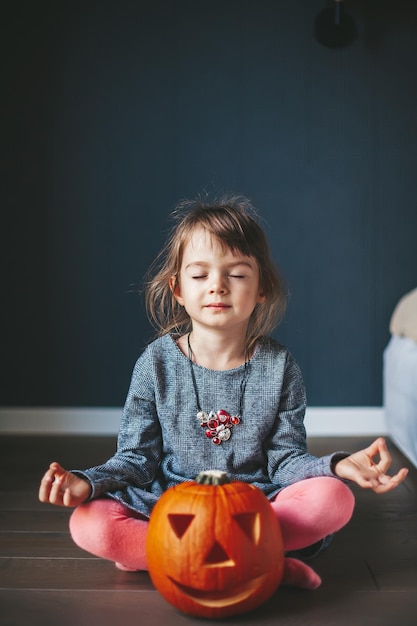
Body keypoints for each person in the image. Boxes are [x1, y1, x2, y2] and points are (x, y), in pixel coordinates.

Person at [39, 194, 408, 589]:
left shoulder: (280, 366)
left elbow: (285, 460)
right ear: (177, 288)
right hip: (172, 505)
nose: (217, 286)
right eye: (200, 276)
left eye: (236, 274)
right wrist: (87, 481)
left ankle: (172, 560)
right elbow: (136, 459)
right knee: (90, 523)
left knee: (335, 499)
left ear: (261, 287)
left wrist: (337, 466)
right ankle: (262, 565)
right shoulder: (156, 363)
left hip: (255, 504)